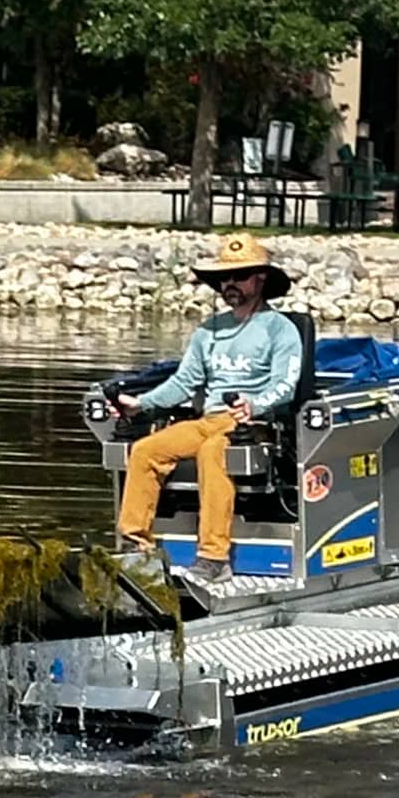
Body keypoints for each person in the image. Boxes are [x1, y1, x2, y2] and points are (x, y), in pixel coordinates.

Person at [112, 233, 303, 585]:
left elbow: (285, 385)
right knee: (145, 450)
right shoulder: (208, 331)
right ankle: (135, 547)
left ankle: (215, 557)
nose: (229, 284)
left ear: (260, 279)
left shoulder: (281, 329)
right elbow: (183, 383)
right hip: (208, 418)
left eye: (239, 276)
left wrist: (255, 404)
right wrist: (141, 404)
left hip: (255, 423)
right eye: (224, 278)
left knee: (214, 451)